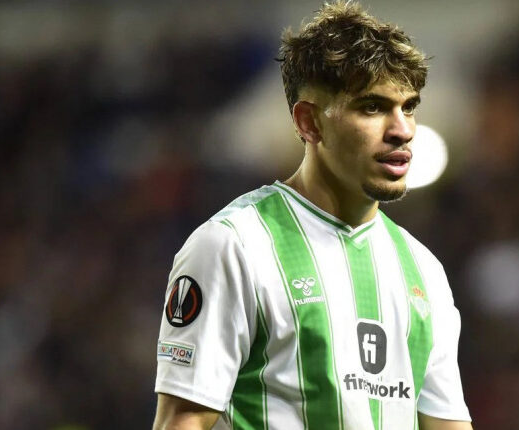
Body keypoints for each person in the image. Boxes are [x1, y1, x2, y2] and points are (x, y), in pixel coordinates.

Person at [152, 2, 472, 429]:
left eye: (408, 107)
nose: (402, 130)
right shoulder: (233, 246)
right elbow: (183, 420)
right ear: (309, 122)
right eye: (372, 108)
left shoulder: (423, 270)